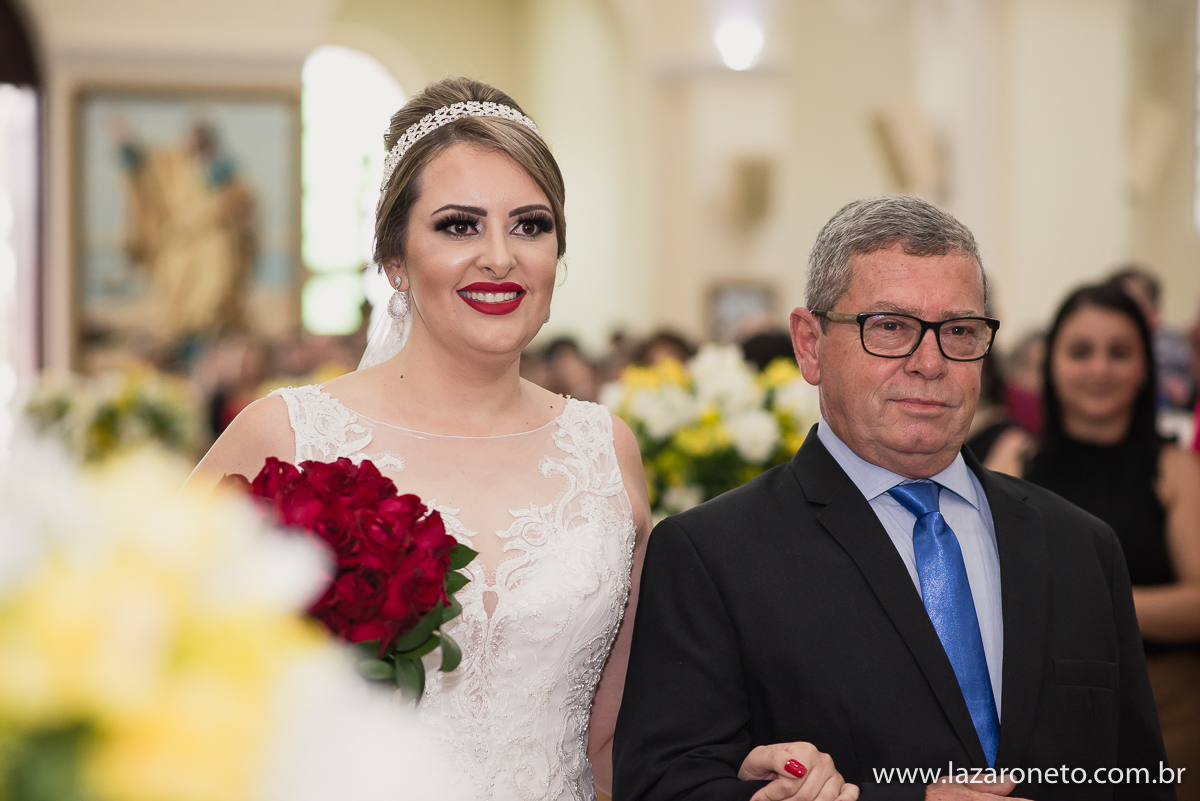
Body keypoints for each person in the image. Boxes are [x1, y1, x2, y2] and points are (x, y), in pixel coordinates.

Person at [187, 77, 848, 801]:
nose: (500, 256)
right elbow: (156, 682)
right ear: (395, 259)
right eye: (458, 225)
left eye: (530, 225)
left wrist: (733, 776)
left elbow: (613, 743)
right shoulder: (285, 436)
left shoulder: (605, 449)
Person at [613, 196, 1172, 801]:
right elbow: (665, 785)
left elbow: (1135, 776)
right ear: (809, 344)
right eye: (890, 328)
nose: (929, 362)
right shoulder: (713, 555)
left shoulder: (1080, 546)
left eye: (959, 331)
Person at [1025, 283, 1200, 800]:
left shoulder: (1175, 469)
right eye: (1081, 351)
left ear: (1145, 366)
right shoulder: (1013, 465)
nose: (1099, 369)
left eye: (1119, 352)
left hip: (1165, 705)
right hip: (1038, 712)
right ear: (1051, 363)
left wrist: (1086, 603)